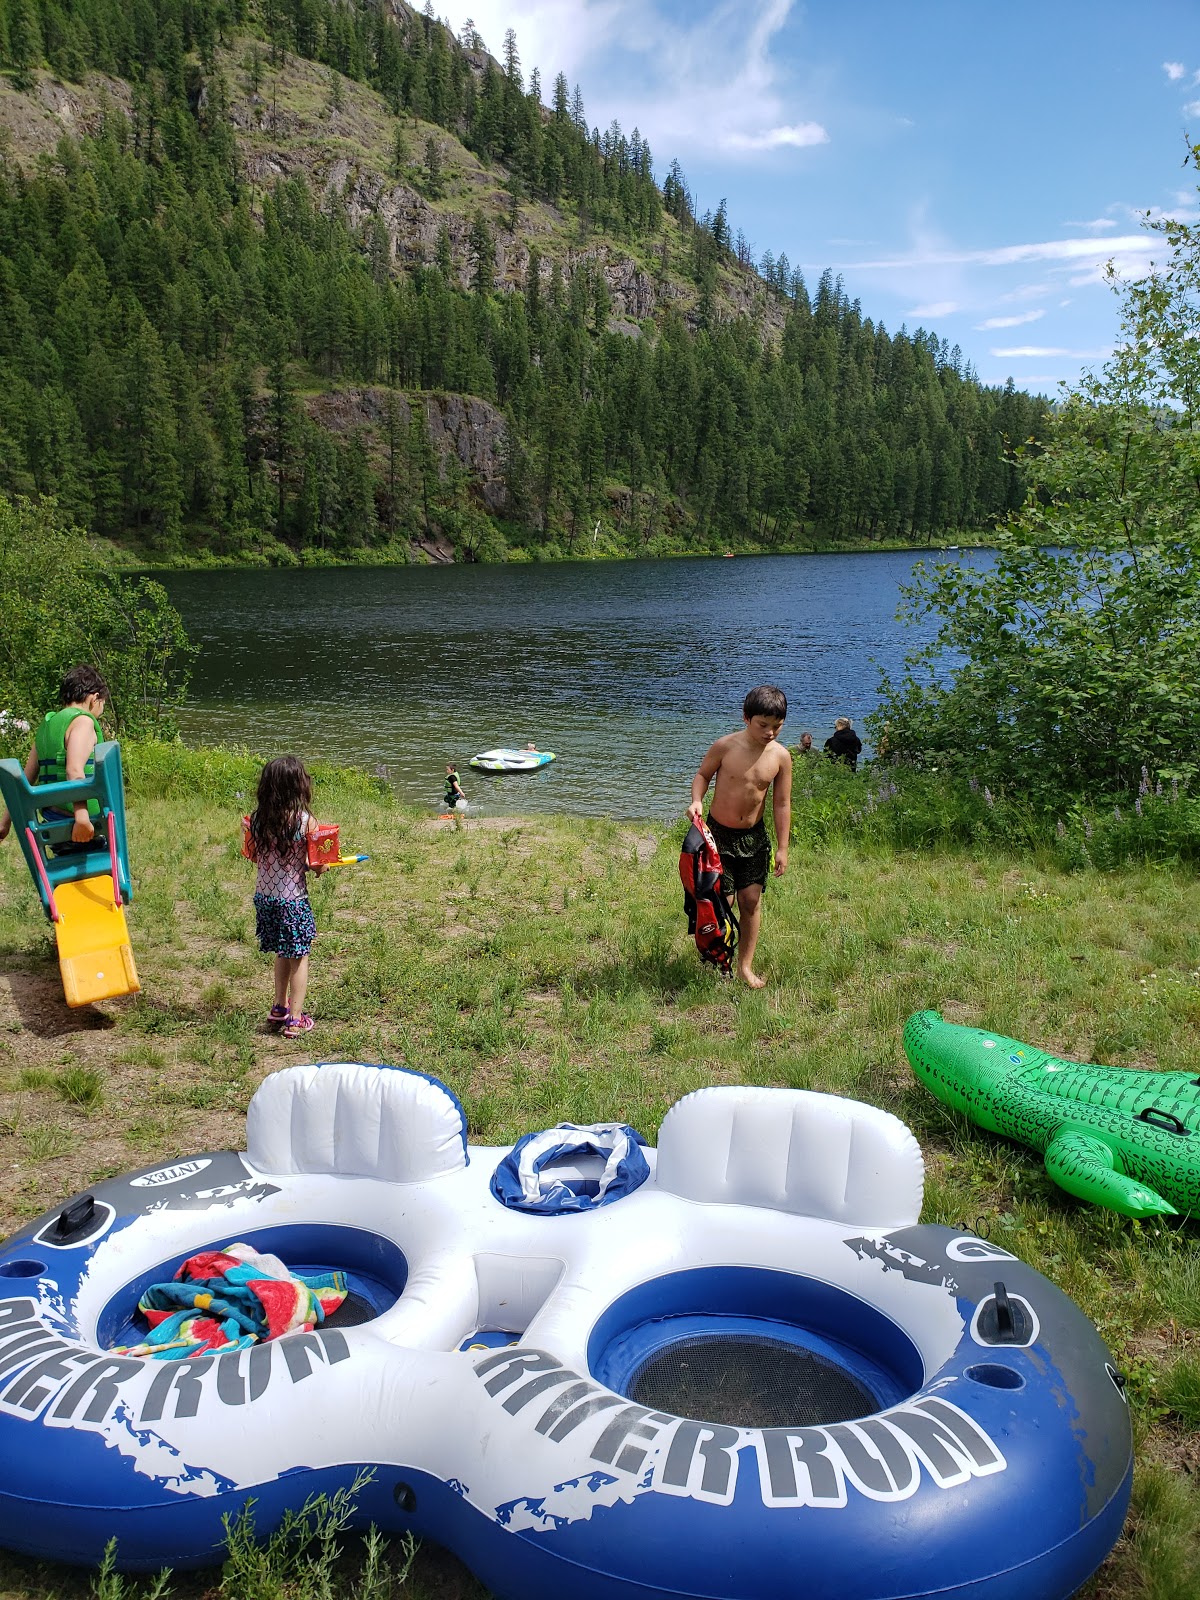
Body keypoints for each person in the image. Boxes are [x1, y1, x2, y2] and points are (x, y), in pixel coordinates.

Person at [688, 685, 792, 989]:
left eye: (777, 726)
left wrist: (783, 847)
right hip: (717, 836)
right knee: (722, 901)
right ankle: (716, 957)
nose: (770, 732)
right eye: (763, 725)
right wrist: (697, 800)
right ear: (746, 718)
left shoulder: (781, 757)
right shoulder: (725, 746)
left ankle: (745, 966)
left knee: (750, 901)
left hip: (753, 839)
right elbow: (702, 775)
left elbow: (782, 803)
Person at [244, 755, 324, 1038]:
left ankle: (279, 1006)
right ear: (299, 787)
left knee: (282, 950)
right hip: (293, 901)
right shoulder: (306, 822)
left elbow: (255, 856)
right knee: (299, 957)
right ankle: (296, 1018)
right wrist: (321, 866)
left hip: (265, 899)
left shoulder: (256, 820)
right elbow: (316, 864)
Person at [0, 665, 108, 848]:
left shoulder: (46, 728)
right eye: (102, 705)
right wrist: (82, 818)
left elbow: (23, 780)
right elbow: (74, 770)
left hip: (51, 824)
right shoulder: (83, 722)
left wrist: (4, 822)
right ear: (94, 698)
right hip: (81, 826)